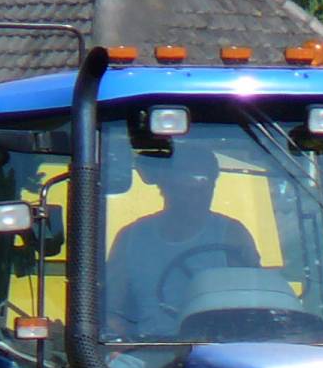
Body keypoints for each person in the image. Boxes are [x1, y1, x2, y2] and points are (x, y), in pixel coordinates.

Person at [103, 142, 260, 337]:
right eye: (186, 186)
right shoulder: (131, 238)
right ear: (164, 185)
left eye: (203, 185)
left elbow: (253, 303)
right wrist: (123, 339)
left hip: (214, 346)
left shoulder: (232, 235)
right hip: (148, 351)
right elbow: (110, 309)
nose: (195, 197)